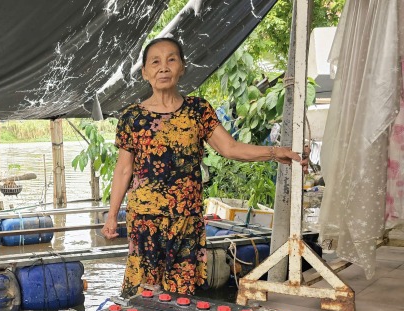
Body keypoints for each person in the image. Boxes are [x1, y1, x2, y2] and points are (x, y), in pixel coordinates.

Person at [101, 37, 306, 296]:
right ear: (145, 72)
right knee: (144, 292)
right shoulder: (132, 117)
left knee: (182, 292)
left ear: (182, 67)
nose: (163, 68)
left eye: (171, 60)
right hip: (145, 220)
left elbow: (229, 148)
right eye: (155, 62)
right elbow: (123, 170)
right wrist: (112, 216)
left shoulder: (198, 110)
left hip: (186, 219)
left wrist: (274, 153)